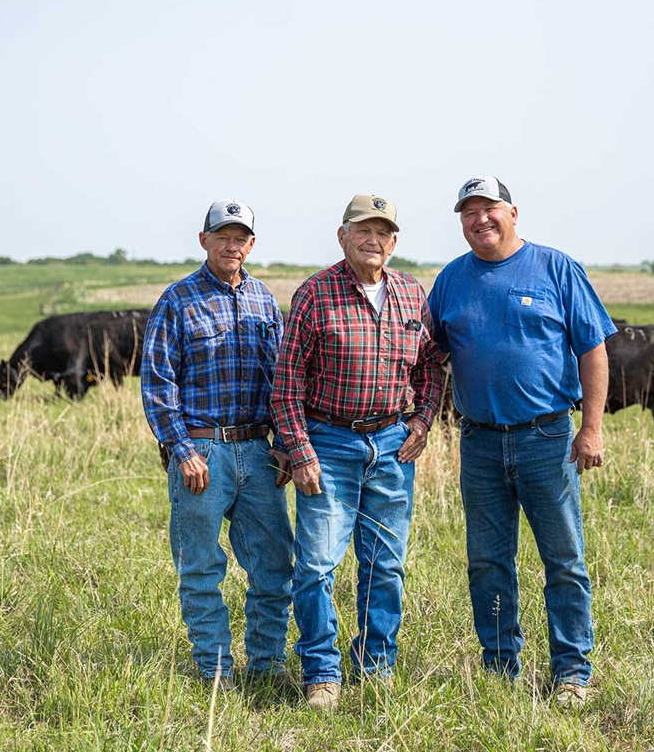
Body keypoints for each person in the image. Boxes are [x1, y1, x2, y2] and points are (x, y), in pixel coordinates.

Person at [426, 177, 615, 708]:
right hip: (480, 443)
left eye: (489, 209)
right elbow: (426, 354)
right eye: (469, 212)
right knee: (488, 560)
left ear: (513, 212)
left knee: (564, 558)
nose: (479, 220)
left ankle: (572, 671)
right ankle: (499, 666)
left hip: (546, 438)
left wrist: (592, 428)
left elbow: (593, 348)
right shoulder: (452, 280)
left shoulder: (556, 267)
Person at [271, 194, 446, 710]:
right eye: (363, 230)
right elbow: (285, 384)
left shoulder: (412, 294)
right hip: (330, 442)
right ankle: (322, 672)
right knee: (318, 566)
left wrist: (424, 417)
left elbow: (432, 364)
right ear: (342, 236)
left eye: (384, 232)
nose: (375, 240)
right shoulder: (315, 294)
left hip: (393, 443)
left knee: (385, 565)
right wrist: (300, 452)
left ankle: (375, 666)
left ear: (394, 241)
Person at [141, 200, 294, 692]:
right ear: (203, 240)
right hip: (202, 452)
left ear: (252, 244)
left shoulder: (265, 301)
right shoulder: (177, 300)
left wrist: (286, 443)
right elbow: (158, 382)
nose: (232, 245)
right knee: (201, 566)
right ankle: (216, 670)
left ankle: (267, 666)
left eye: (241, 237)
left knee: (274, 565)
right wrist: (181, 448)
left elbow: (279, 380)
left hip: (256, 449)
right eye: (223, 236)